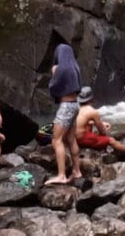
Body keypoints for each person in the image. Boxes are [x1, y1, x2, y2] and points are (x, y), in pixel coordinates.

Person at [45, 43, 82, 185]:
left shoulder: (60, 68)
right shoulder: (75, 67)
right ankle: (77, 171)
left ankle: (61, 175)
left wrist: (54, 73)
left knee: (56, 140)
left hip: (66, 106)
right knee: (71, 138)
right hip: (75, 105)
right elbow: (78, 87)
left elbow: (53, 87)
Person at [75, 87, 125, 159]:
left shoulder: (77, 109)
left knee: (89, 125)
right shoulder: (92, 111)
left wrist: (100, 123)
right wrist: (104, 133)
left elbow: (82, 121)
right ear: (91, 99)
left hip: (73, 138)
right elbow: (102, 131)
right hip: (81, 139)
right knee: (111, 140)